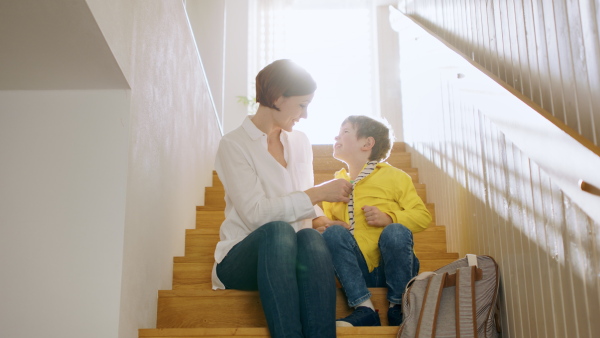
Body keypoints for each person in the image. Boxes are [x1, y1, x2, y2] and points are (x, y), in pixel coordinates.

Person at [212, 59, 352, 338]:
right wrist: (318, 193)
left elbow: (303, 198)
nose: (306, 114)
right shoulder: (233, 145)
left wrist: (321, 217)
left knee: (312, 238)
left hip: (293, 255)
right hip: (243, 257)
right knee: (277, 232)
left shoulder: (300, 141)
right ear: (276, 98)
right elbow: (255, 214)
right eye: (302, 105)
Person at [319, 115, 432, 327]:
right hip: (356, 270)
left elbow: (423, 216)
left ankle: (399, 306)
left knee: (396, 231)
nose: (337, 135)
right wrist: (328, 224)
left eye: (345, 131)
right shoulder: (334, 185)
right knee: (332, 234)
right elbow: (330, 228)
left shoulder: (395, 177)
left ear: (367, 143)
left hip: (394, 264)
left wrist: (389, 218)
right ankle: (365, 308)